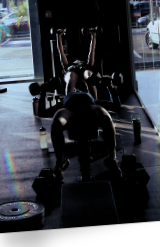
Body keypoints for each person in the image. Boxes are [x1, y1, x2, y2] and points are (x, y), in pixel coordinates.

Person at [48, 27, 123, 181]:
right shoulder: (69, 69)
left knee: (89, 76)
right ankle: (60, 163)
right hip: (69, 107)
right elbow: (61, 54)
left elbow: (91, 53)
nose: (76, 60)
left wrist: (94, 36)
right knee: (57, 121)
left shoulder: (85, 69)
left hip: (89, 104)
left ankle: (112, 158)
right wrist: (58, 38)